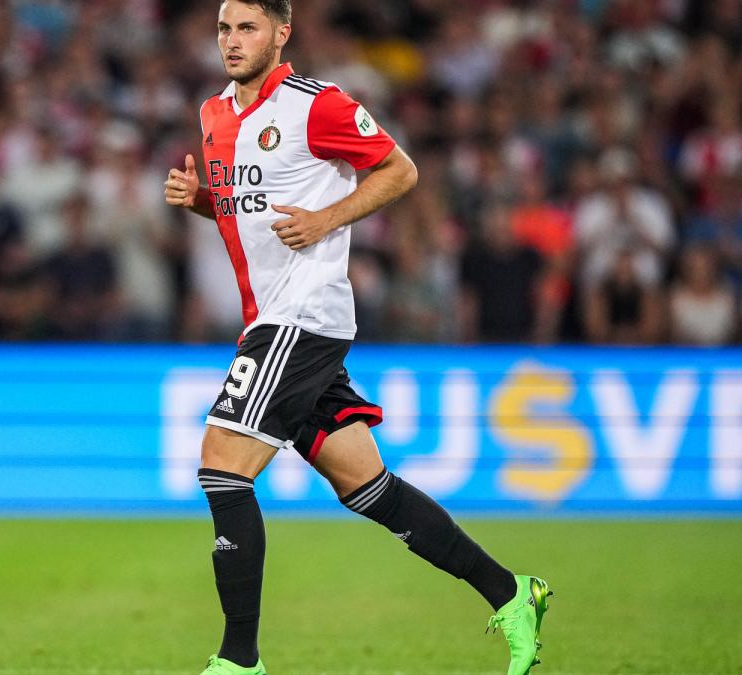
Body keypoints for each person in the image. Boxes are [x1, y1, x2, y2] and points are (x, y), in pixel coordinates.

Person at [162, 3, 552, 674]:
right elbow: (245, 213)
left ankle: (238, 661)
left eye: (248, 28)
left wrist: (327, 219)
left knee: (222, 464)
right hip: (270, 318)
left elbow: (400, 170)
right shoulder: (213, 115)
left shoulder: (320, 105)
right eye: (224, 28)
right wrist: (202, 199)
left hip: (304, 315)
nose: (232, 41)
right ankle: (514, 592)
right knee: (368, 486)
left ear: (281, 33)